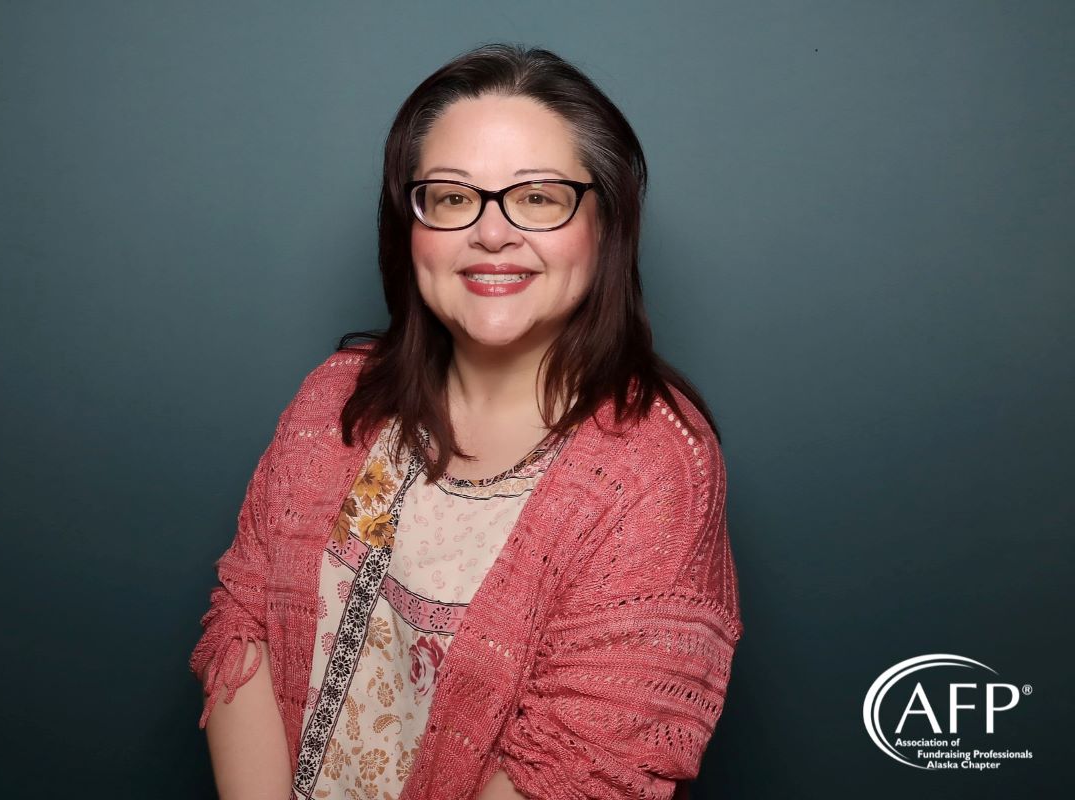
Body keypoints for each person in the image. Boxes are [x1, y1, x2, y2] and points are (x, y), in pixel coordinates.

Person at [189, 43, 743, 800]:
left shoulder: (655, 471)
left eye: (539, 197)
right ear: (409, 223)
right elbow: (245, 620)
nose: (492, 233)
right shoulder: (337, 400)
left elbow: (580, 766)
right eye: (452, 198)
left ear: (606, 223)